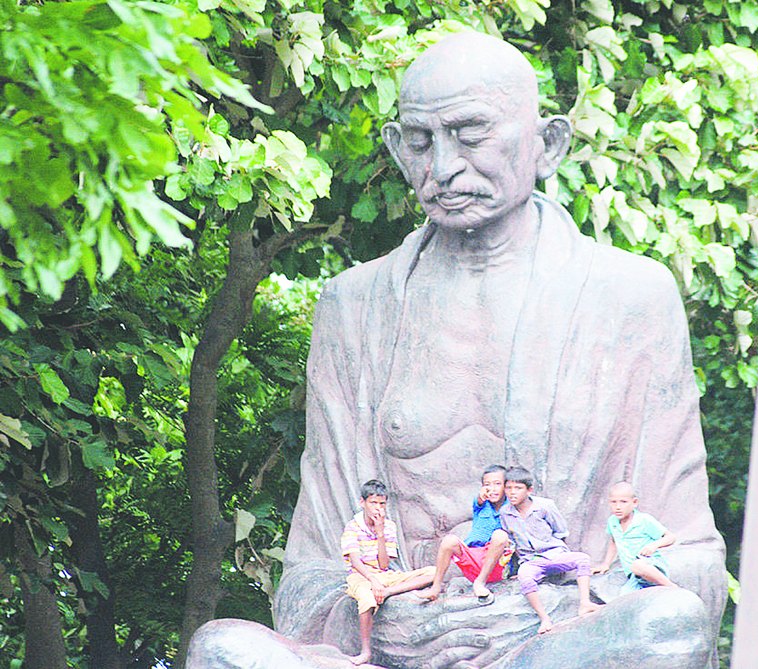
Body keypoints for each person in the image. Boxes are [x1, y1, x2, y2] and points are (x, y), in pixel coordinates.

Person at [186, 31, 726, 669]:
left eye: (471, 135)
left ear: (548, 144)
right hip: (395, 639)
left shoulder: (632, 296)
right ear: (397, 148)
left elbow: (691, 561)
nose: (443, 167)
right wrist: (387, 617)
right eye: (421, 142)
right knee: (221, 648)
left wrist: (544, 612)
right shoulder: (354, 307)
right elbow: (310, 574)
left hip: (554, 641)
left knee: (667, 624)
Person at [340, 480, 435, 665]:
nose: (378, 508)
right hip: (360, 576)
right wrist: (373, 581)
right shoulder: (353, 527)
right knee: (367, 599)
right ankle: (365, 651)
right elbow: (355, 562)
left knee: (433, 572)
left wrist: (380, 532)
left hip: (385, 576)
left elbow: (384, 565)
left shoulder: (389, 526)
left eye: (382, 503)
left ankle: (389, 592)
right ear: (362, 502)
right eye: (373, 503)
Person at [499, 467, 601, 634]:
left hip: (553, 554)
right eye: (508, 488)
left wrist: (559, 554)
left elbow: (561, 532)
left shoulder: (545, 506)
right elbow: (512, 541)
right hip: (531, 560)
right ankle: (544, 618)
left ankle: (585, 603)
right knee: (525, 577)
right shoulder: (505, 513)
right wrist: (518, 566)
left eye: (518, 488)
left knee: (583, 559)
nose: (512, 492)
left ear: (529, 490)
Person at [416, 464, 513, 604]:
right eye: (487, 484)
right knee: (449, 540)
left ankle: (480, 583)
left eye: (497, 484)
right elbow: (479, 499)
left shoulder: (511, 506)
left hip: (496, 563)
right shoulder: (481, 504)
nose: (492, 488)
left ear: (506, 486)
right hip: (474, 559)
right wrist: (481, 496)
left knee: (500, 535)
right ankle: (435, 587)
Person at [592, 481, 677, 591]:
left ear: (634, 502)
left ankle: (672, 587)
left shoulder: (643, 520)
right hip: (634, 575)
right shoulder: (612, 522)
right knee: (624, 595)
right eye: (613, 502)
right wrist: (606, 564)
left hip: (651, 566)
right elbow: (614, 541)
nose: (618, 507)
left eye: (623, 502)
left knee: (637, 565)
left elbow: (670, 537)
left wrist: (653, 546)